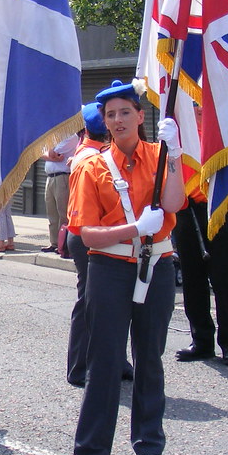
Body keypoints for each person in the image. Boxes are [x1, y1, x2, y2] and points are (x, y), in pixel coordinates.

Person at [68, 79, 185, 455]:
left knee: (150, 357)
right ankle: (92, 452)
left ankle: (149, 443)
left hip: (158, 265)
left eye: (125, 112)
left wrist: (175, 156)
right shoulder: (92, 166)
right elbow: (86, 234)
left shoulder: (160, 155)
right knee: (105, 361)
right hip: (110, 268)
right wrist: (134, 229)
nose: (117, 120)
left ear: (140, 115)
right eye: (110, 114)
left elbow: (174, 203)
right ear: (104, 121)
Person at [175, 107, 228, 367]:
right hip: (189, 208)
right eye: (195, 105)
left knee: (224, 278)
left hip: (223, 207)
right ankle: (201, 341)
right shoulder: (180, 131)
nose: (199, 110)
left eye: (203, 104)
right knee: (192, 278)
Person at [65, 102, 132, 388]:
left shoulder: (90, 151)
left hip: (95, 232)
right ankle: (79, 367)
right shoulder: (93, 157)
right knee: (91, 302)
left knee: (110, 302)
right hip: (89, 234)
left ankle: (117, 360)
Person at [40, 133, 79, 253]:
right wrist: (51, 156)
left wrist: (50, 154)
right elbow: (40, 153)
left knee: (63, 212)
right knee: (51, 213)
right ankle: (54, 242)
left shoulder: (70, 136)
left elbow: (50, 153)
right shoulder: (54, 136)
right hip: (50, 177)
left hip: (62, 177)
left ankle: (63, 244)